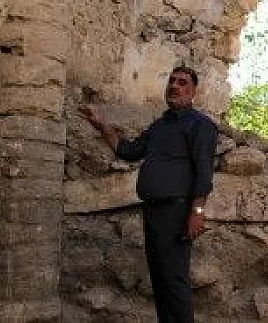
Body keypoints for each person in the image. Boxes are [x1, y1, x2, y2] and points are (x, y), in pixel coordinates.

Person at [79, 65, 219, 323]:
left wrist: (197, 212)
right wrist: (101, 126)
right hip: (153, 211)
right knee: (160, 279)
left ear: (193, 92)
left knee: (174, 280)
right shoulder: (160, 126)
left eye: (182, 83)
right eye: (172, 81)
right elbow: (129, 151)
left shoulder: (200, 125)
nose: (174, 86)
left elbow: (203, 173)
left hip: (176, 212)